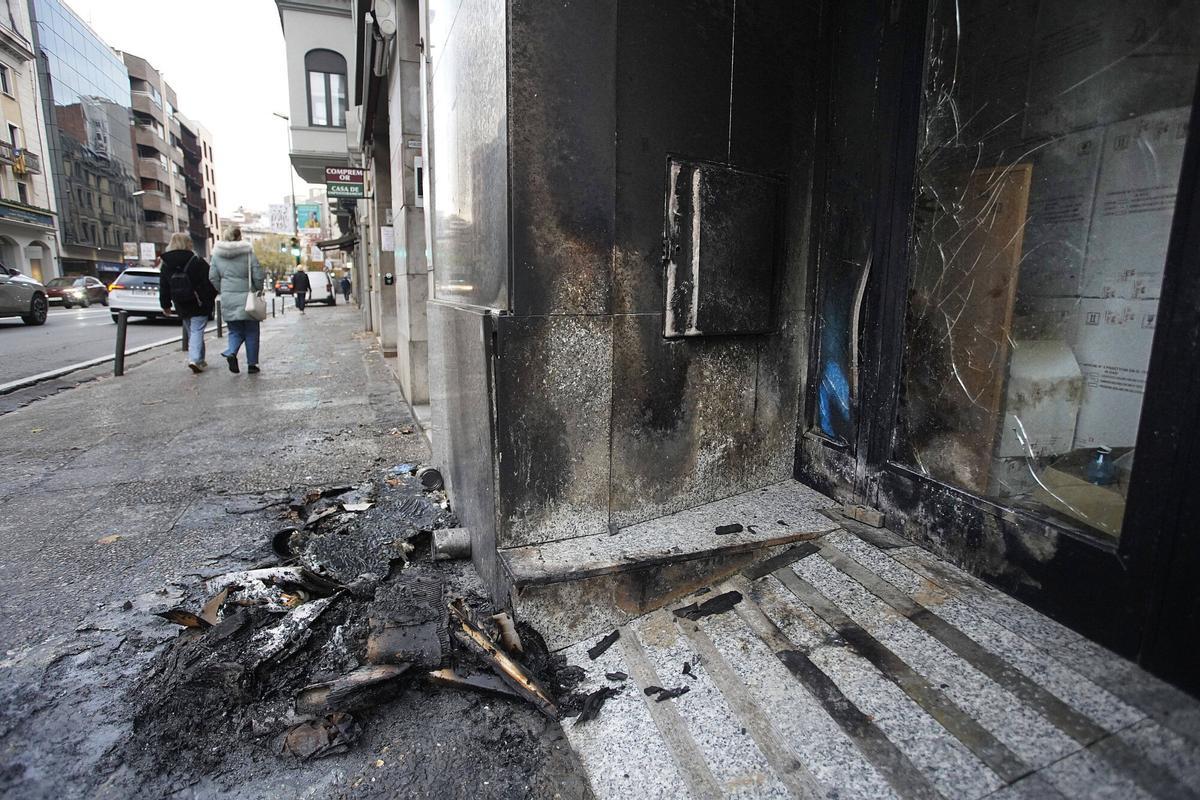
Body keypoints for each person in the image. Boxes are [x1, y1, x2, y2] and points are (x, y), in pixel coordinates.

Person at [209, 226, 266, 374]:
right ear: (240, 236)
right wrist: (258, 289)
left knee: (234, 330)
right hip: (247, 297)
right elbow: (258, 275)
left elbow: (213, 277)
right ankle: (252, 364)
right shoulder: (248, 254)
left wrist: (223, 290)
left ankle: (232, 351)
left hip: (228, 297)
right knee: (252, 331)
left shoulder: (216, 256)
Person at [158, 232, 216, 373]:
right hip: (199, 302)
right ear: (188, 243)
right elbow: (210, 282)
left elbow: (164, 286)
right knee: (196, 331)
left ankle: (199, 359)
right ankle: (195, 359)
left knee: (193, 332)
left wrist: (165, 305)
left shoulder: (166, 264)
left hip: (181, 302)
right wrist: (209, 298)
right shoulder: (196, 261)